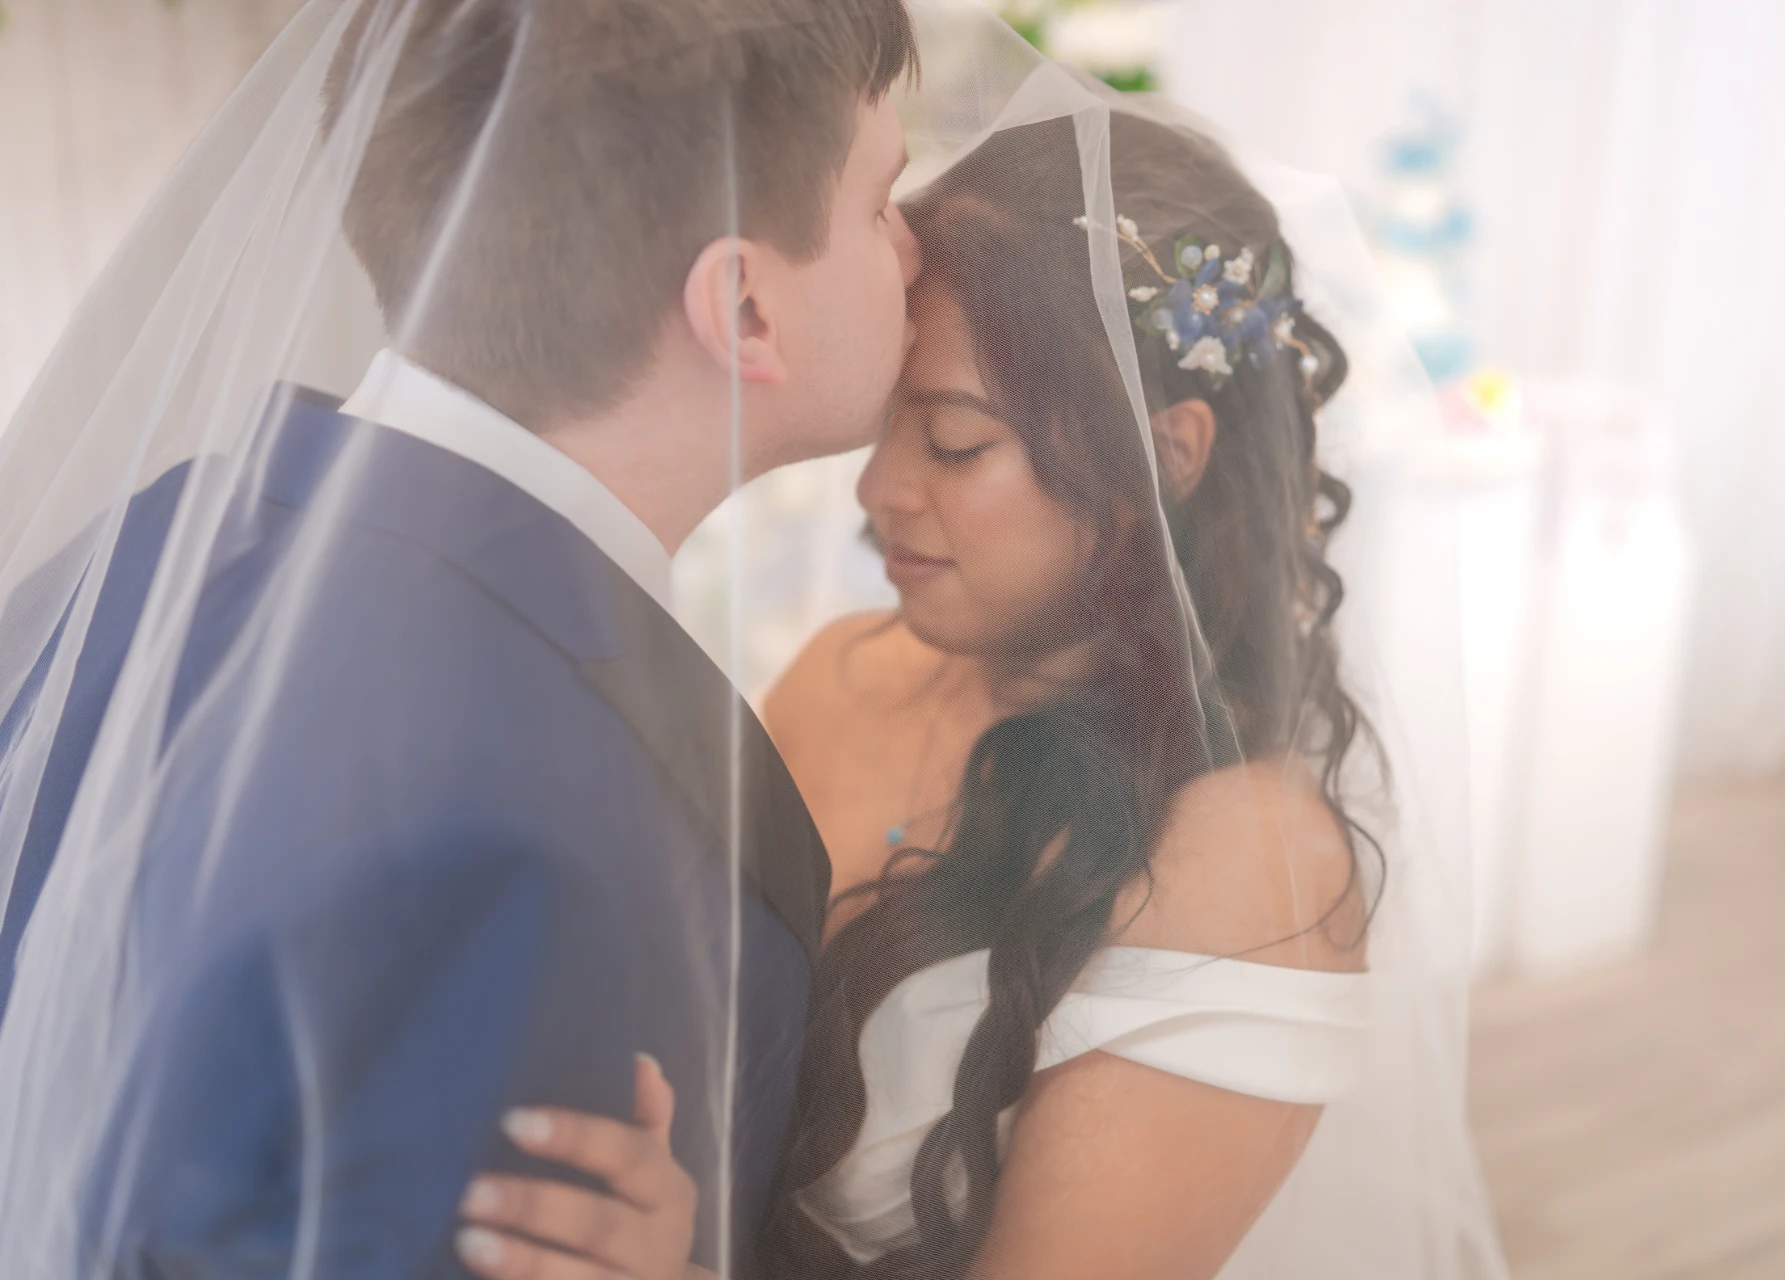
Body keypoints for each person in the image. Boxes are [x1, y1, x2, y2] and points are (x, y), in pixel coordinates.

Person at [440, 108, 1505, 1279]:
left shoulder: (1249, 865)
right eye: (883, 421)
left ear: (1166, 455)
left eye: (952, 442)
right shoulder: (842, 669)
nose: (878, 491)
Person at [0, 1, 921, 1275]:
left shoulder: (140, 553)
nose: (916, 252)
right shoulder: (532, 813)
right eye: (884, 202)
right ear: (744, 306)